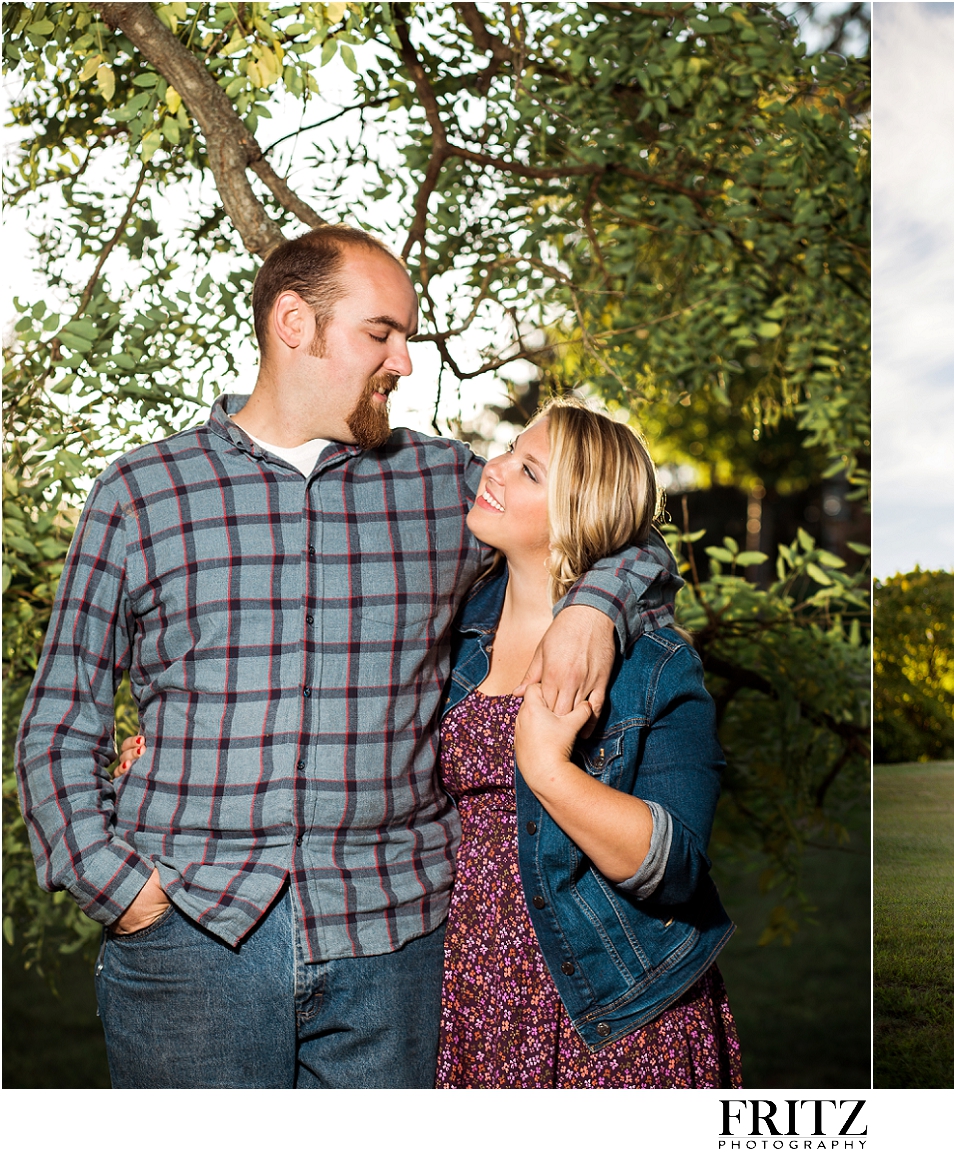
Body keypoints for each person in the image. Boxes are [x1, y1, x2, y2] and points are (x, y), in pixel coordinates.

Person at [15, 225, 679, 1088]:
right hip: (192, 941)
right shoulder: (142, 494)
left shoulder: (442, 485)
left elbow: (615, 523)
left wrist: (594, 604)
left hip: (393, 944)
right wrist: (121, 889)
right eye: (382, 333)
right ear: (295, 323)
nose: (405, 361)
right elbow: (59, 723)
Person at [431, 399, 738, 1088]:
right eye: (510, 449)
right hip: (467, 997)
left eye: (529, 471)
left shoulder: (653, 664)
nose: (497, 468)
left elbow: (676, 863)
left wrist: (547, 767)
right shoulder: (451, 637)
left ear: (577, 515)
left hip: (612, 1003)